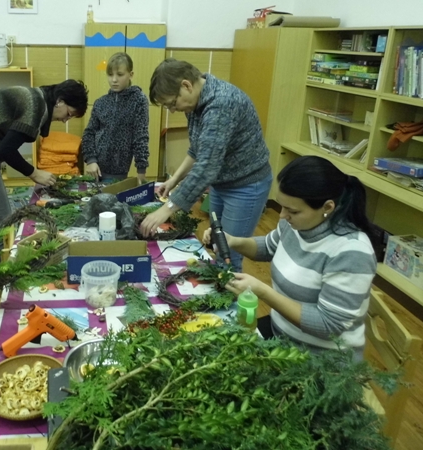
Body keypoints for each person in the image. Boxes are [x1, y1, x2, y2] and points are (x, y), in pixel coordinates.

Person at [204, 156, 377, 360]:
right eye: (282, 206)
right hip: (281, 336)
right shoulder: (295, 224)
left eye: (292, 210)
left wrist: (262, 291)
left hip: (319, 361)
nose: (282, 216)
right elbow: (268, 247)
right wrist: (232, 241)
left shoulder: (352, 252)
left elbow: (328, 326)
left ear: (327, 207)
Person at [140, 59, 272, 272]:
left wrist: (167, 209)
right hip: (221, 182)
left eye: (172, 103)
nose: (172, 110)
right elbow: (198, 149)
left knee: (228, 255)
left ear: (186, 85)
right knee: (217, 245)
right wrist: (175, 179)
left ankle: (229, 292)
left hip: (246, 186)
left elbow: (207, 166)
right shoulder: (195, 102)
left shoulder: (221, 104)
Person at [0, 79, 89, 224]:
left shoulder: (38, 96)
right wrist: (34, 173)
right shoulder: (36, 109)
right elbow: (6, 150)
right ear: (60, 101)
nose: (65, 120)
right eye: (69, 114)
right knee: (1, 219)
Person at [81, 52, 149, 183]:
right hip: (95, 169)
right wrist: (90, 160)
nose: (114, 80)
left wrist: (141, 170)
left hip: (118, 172)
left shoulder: (138, 100)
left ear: (131, 74)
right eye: (110, 74)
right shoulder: (100, 103)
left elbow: (141, 136)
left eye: (120, 74)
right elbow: (89, 133)